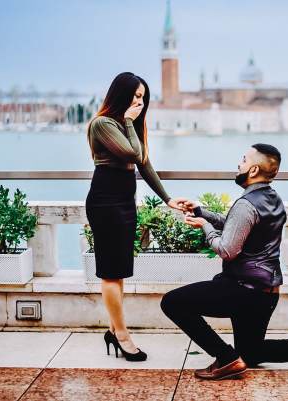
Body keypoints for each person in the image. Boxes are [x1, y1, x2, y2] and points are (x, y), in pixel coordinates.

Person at [160, 143, 288, 380]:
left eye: (243, 160)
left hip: (241, 290)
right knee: (251, 352)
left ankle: (226, 358)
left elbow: (227, 250)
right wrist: (202, 212)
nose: (238, 164)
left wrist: (205, 227)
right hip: (266, 293)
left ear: (253, 170)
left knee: (172, 303)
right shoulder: (274, 199)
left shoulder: (246, 204)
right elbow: (238, 227)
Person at [85, 72, 185, 361]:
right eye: (135, 95)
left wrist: (167, 199)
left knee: (119, 271)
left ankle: (112, 329)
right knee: (111, 272)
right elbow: (130, 155)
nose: (139, 101)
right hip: (105, 202)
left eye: (143, 97)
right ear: (120, 94)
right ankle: (122, 335)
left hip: (125, 202)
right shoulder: (103, 124)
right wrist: (129, 120)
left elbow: (144, 163)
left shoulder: (128, 126)